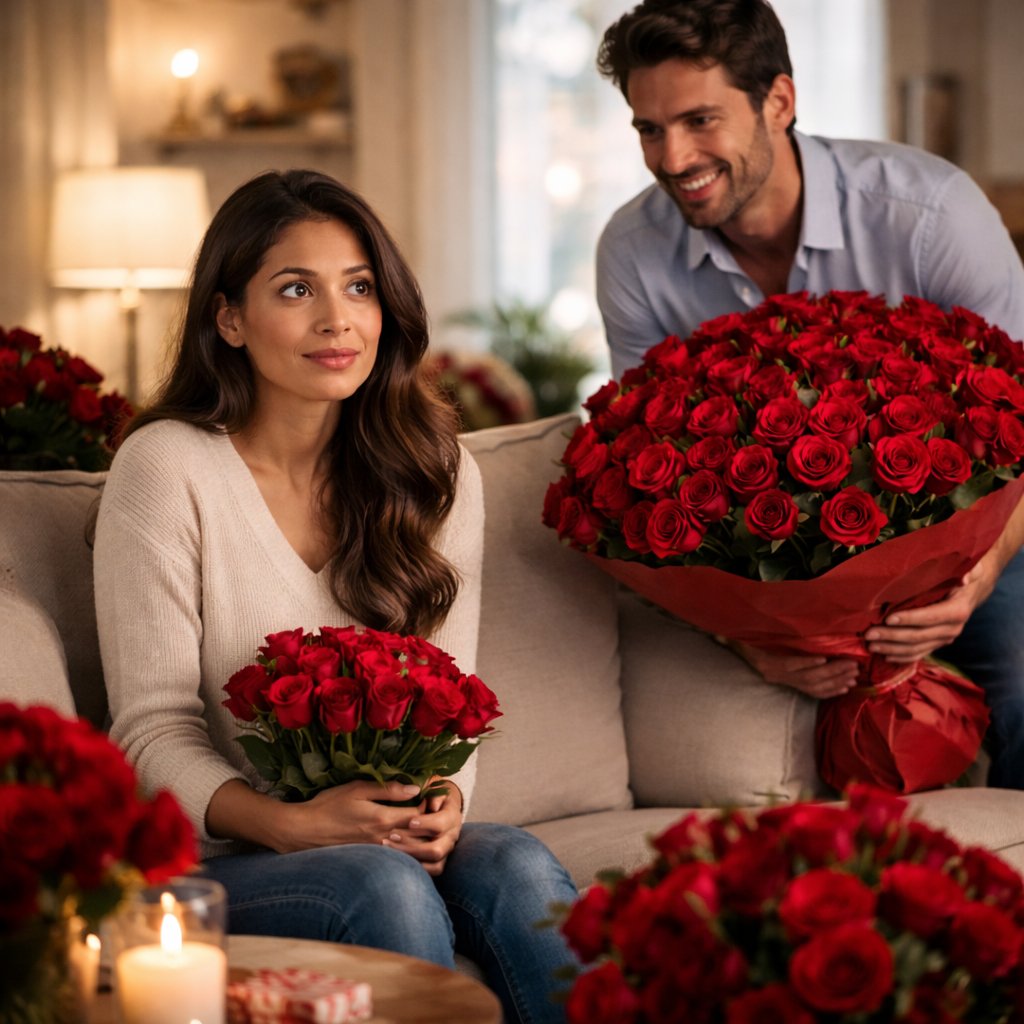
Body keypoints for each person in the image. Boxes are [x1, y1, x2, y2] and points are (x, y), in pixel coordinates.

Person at [94, 168, 577, 1023]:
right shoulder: (167, 467)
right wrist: (295, 825)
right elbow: (150, 732)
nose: (337, 319)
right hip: (218, 859)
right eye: (295, 289)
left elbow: (451, 707)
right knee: (380, 881)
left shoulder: (433, 471)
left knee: (517, 867)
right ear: (229, 318)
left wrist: (446, 803)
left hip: (378, 838)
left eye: (358, 286)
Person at [594, 0, 1024, 787]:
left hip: (981, 538)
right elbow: (638, 465)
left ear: (779, 102)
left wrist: (982, 574)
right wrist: (741, 639)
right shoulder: (633, 252)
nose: (671, 156)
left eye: (698, 120)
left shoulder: (930, 215)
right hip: (773, 575)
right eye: (648, 129)